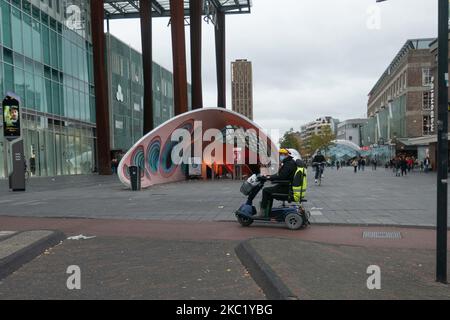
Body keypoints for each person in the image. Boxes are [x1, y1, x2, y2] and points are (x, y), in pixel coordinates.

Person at [259, 149, 298, 217]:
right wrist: (269, 176)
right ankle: (268, 212)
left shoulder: (289, 164)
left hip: (286, 188)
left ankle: (263, 211)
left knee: (266, 191)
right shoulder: (289, 162)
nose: (280, 156)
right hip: (286, 186)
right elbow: (280, 175)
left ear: (285, 155)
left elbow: (281, 176)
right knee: (269, 191)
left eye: (281, 155)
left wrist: (268, 178)